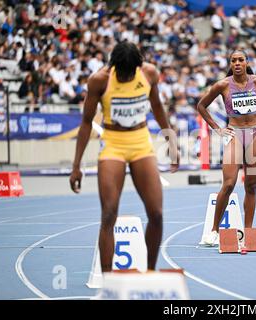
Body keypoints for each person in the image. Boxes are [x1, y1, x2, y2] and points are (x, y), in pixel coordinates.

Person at [69, 41, 179, 272]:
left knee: (157, 214)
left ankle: (150, 271)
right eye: (124, 73)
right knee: (109, 214)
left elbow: (157, 106)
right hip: (113, 144)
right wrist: (76, 165)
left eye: (132, 73)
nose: (128, 77)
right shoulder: (99, 80)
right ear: (114, 67)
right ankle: (108, 281)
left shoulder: (148, 73)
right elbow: (87, 123)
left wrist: (171, 139)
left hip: (141, 142)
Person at [197, 49, 256, 246]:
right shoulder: (222, 85)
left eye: (240, 60)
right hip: (234, 134)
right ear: (230, 63)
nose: (237, 63)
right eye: (233, 60)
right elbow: (201, 106)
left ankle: (249, 233)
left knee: (251, 186)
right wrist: (218, 129)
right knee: (228, 184)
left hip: (254, 134)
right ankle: (214, 231)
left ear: (246, 62)